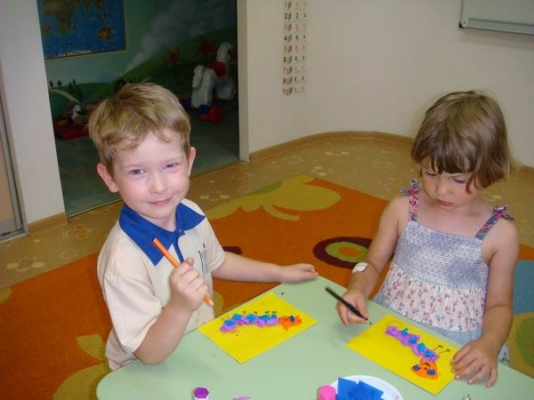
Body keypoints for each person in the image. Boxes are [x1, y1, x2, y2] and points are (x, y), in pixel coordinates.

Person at [88, 82, 318, 370]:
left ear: (189, 161)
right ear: (109, 178)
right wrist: (179, 307)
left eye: (170, 165)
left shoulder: (190, 212)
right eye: (137, 171)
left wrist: (278, 272)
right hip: (143, 370)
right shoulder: (123, 262)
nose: (158, 186)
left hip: (195, 344)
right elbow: (149, 354)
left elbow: (217, 262)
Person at [335, 90, 519, 387]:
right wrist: (357, 287)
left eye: (458, 179)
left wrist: (490, 343)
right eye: (431, 173)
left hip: (457, 345)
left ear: (489, 170)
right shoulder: (401, 209)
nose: (441, 190)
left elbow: (499, 306)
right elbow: (371, 263)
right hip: (393, 326)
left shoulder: (500, 235)